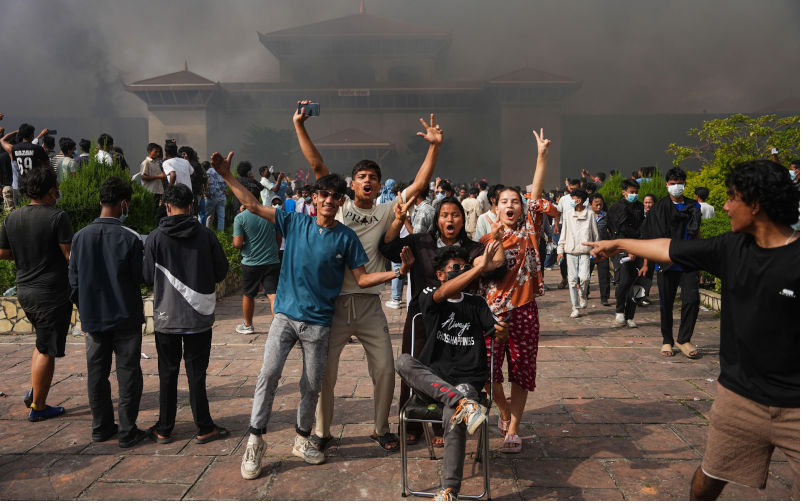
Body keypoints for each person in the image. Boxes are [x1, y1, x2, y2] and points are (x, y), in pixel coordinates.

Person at [586, 159, 799, 500]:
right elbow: (668, 249)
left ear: (756, 204)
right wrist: (620, 244)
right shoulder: (731, 248)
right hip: (739, 398)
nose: (726, 206)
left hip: (797, 406)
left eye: (732, 197)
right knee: (708, 480)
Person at [209, 150, 411, 476]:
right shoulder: (294, 221)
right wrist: (227, 176)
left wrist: (396, 273)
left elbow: (361, 278)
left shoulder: (346, 237)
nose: (330, 200)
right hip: (286, 317)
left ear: (341, 201)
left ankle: (302, 438)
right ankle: (255, 442)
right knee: (268, 375)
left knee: (312, 385)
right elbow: (252, 205)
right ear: (314, 198)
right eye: (324, 194)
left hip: (319, 322)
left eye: (335, 196)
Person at [294, 100, 444, 453]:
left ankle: (380, 428)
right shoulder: (339, 204)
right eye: (361, 176)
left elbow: (420, 184)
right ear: (352, 183)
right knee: (324, 375)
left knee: (384, 370)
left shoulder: (388, 209)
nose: (367, 181)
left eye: (373, 178)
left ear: (379, 187)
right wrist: (301, 125)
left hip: (368, 305)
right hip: (334, 305)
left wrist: (435, 146)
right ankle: (322, 431)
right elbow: (317, 165)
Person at [395, 243, 507, 501]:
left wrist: (503, 333)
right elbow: (443, 293)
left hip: (467, 381)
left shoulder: (477, 304)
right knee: (403, 361)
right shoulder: (430, 291)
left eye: (464, 267)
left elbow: (499, 334)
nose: (461, 271)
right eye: (454, 268)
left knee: (455, 413)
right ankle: (462, 404)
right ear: (441, 274)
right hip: (432, 381)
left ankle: (449, 490)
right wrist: (478, 269)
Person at [477, 129, 558, 454]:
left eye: (516, 201)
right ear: (494, 209)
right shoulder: (485, 239)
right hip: (492, 312)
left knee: (521, 371)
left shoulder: (529, 229)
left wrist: (541, 155)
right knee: (488, 372)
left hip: (524, 310)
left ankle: (513, 428)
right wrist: (493, 240)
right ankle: (504, 411)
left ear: (523, 208)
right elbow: (481, 272)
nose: (510, 205)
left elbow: (535, 188)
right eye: (504, 202)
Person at [142, 183, 230, 445]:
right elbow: (221, 270)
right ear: (191, 206)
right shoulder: (205, 235)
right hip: (199, 317)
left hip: (167, 318)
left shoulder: (155, 237)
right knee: (197, 374)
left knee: (167, 374)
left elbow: (146, 277)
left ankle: (164, 429)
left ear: (167, 206)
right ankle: (204, 427)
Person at [69, 176, 149, 447]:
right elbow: (142, 276)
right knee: (128, 374)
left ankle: (101, 428)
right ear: (124, 204)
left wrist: (84, 309)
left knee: (96, 374)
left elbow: (74, 280)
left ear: (100, 200)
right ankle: (127, 431)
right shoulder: (130, 238)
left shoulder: (79, 237)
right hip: (125, 316)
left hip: (93, 318)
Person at [0, 163, 73, 421]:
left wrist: (27, 256)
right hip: (51, 294)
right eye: (56, 188)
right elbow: (69, 256)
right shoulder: (57, 216)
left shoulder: (13, 217)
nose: (58, 192)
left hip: (25, 291)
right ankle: (39, 407)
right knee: (46, 350)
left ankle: (35, 393)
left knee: (41, 343)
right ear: (50, 190)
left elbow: (3, 253)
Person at [640, 167, 702, 358]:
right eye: (673, 184)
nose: (676, 187)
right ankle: (667, 340)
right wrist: (647, 262)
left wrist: (700, 261)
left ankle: (684, 339)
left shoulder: (694, 207)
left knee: (692, 299)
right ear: (667, 185)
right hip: (666, 261)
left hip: (688, 260)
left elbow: (698, 233)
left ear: (685, 184)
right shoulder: (659, 209)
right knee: (666, 303)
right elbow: (649, 237)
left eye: (680, 183)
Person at [233, 182, 282, 334]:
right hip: (272, 260)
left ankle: (248, 325)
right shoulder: (271, 213)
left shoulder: (241, 218)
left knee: (248, 294)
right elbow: (279, 238)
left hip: (251, 262)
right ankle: (279, 327)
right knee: (272, 293)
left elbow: (237, 243)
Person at [606, 179, 643, 329]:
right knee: (624, 281)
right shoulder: (616, 208)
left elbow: (643, 228)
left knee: (638, 284)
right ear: (624, 192)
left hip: (640, 248)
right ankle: (619, 311)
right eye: (631, 192)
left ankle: (631, 315)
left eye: (636, 192)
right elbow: (615, 229)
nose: (634, 195)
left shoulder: (640, 207)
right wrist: (627, 249)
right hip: (622, 249)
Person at [556, 188, 598, 318]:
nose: (573, 201)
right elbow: (564, 232)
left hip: (585, 251)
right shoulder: (568, 214)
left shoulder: (590, 214)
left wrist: (597, 248)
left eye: (574, 198)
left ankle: (583, 295)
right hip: (570, 251)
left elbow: (595, 233)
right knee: (572, 280)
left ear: (580, 200)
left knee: (585, 278)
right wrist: (560, 251)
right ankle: (575, 307)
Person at [586, 193, 611, 306]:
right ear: (590, 204)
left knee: (604, 274)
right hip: (588, 250)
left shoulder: (606, 217)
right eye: (596, 204)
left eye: (601, 204)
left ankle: (604, 297)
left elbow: (611, 231)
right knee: (586, 274)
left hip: (602, 250)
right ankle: (585, 293)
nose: (599, 207)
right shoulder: (585, 216)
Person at [139, 143, 166, 225]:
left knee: (156, 213)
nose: (158, 154)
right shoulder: (146, 162)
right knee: (151, 213)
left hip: (157, 191)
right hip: (150, 192)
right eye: (155, 152)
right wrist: (158, 176)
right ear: (149, 151)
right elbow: (143, 177)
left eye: (158, 152)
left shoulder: (155, 162)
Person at [205, 160, 228, 232]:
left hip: (211, 197)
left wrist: (206, 193)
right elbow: (225, 185)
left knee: (205, 215)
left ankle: (203, 233)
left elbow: (206, 183)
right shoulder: (223, 172)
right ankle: (220, 235)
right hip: (222, 197)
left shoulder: (209, 171)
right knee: (221, 217)